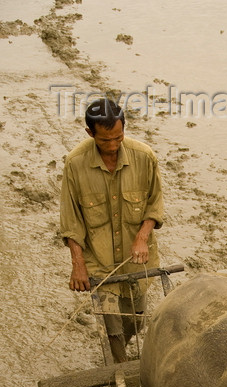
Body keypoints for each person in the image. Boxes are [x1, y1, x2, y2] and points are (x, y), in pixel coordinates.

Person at [60, 98, 164, 362]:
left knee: (136, 320)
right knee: (112, 328)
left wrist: (142, 237)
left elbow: (154, 204)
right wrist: (78, 264)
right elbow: (71, 220)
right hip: (99, 260)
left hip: (136, 261)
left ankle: (121, 356)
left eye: (118, 138)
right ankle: (119, 368)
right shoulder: (75, 164)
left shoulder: (145, 157)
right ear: (90, 133)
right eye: (105, 140)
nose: (113, 146)